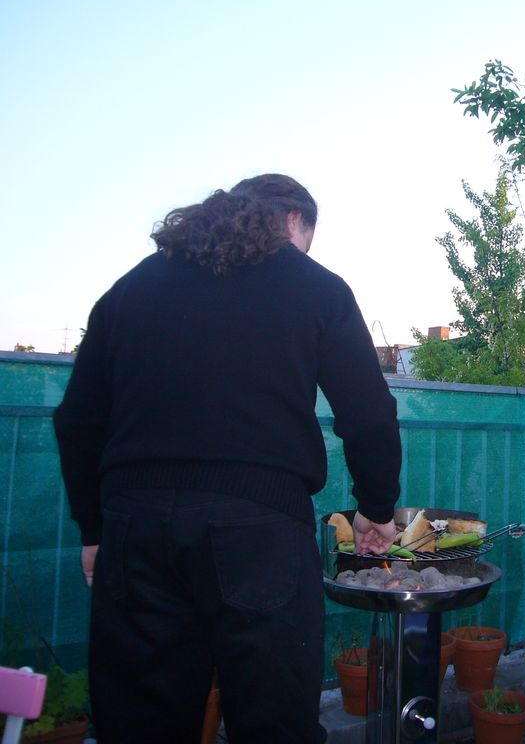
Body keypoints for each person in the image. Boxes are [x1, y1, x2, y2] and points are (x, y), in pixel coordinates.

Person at [53, 174, 401, 744]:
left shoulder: (132, 287)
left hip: (134, 530)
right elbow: (369, 412)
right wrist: (377, 508)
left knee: (138, 726)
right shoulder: (316, 287)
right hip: (259, 532)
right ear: (295, 220)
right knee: (275, 726)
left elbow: (77, 419)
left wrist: (94, 529)